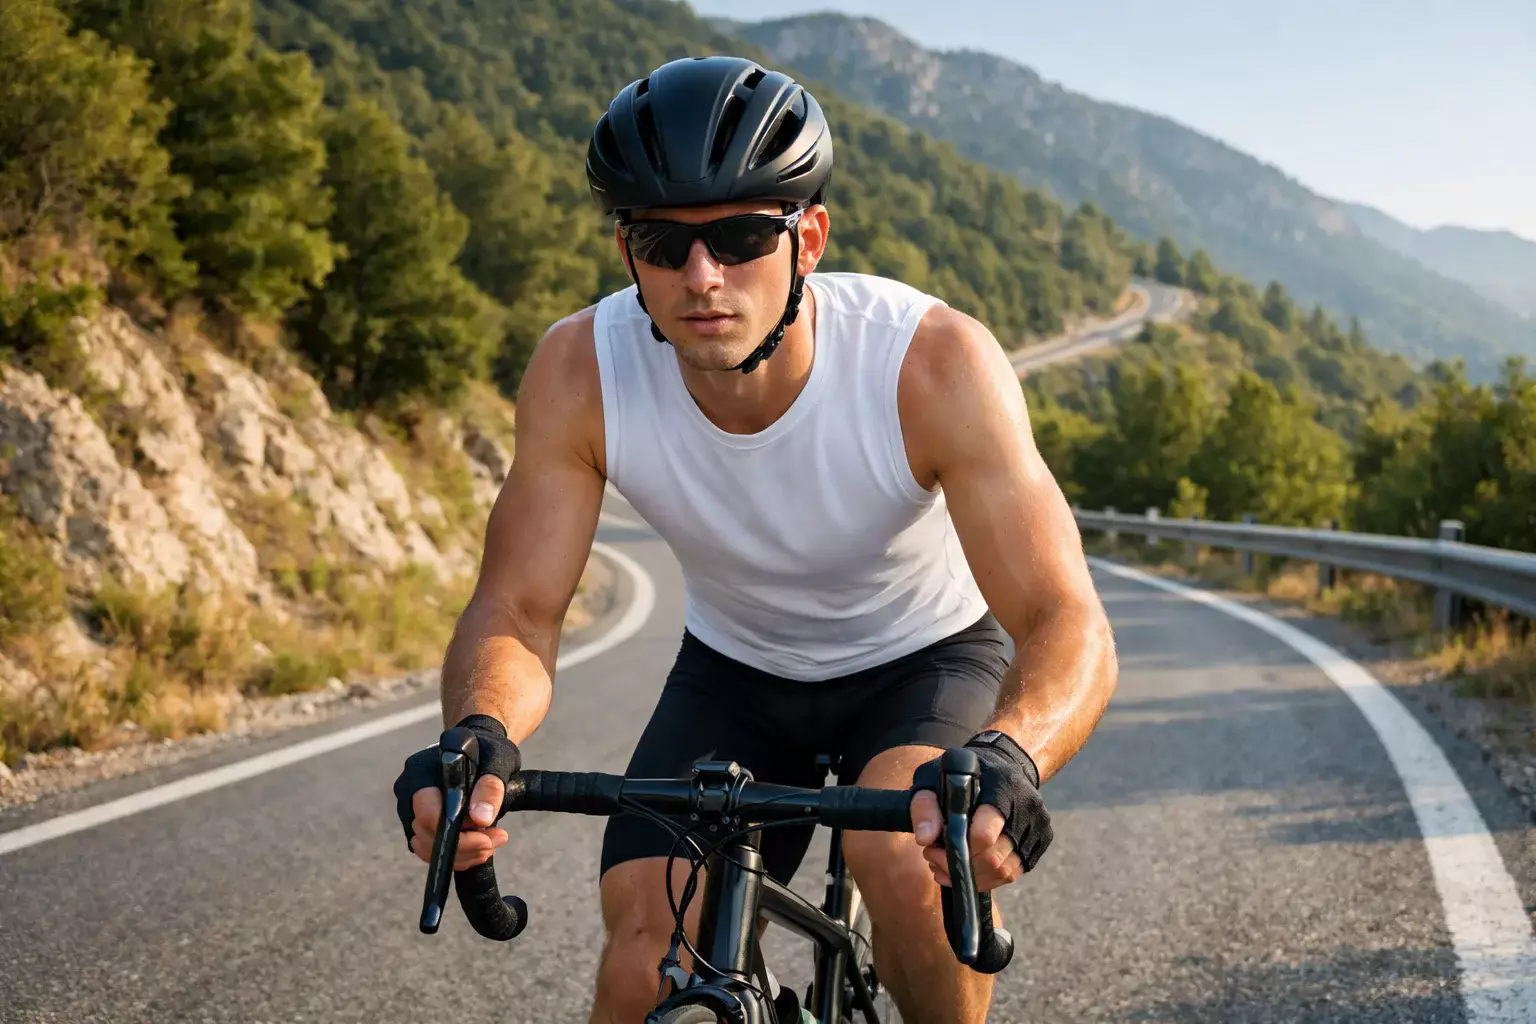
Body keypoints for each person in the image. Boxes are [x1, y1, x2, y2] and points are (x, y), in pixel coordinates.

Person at [394, 55, 1118, 1023]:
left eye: (740, 236)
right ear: (627, 252)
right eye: (665, 241)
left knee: (902, 856)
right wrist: (479, 734)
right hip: (738, 672)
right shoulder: (581, 371)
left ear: (807, 237)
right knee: (643, 953)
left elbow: (1064, 616)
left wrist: (1012, 754)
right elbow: (518, 608)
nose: (703, 277)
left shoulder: (929, 363)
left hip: (924, 657)